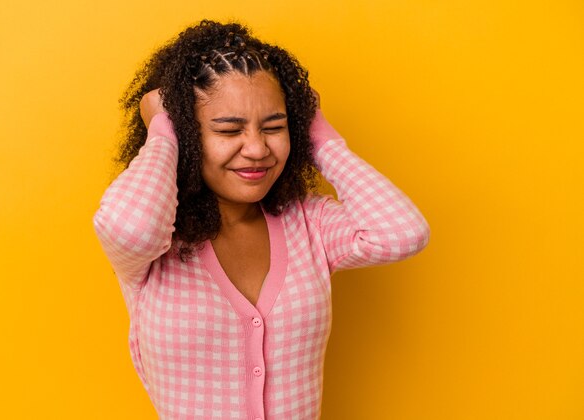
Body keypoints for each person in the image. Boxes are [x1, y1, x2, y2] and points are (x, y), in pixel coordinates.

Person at [94, 19, 430, 420]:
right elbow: (128, 228)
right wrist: (164, 130)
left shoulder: (308, 223)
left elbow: (403, 233)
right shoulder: (157, 242)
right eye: (229, 129)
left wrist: (318, 135)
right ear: (188, 135)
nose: (256, 148)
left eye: (274, 127)